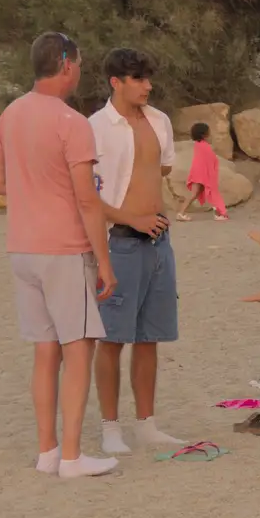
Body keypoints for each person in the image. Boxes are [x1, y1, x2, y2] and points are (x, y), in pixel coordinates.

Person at [0, 32, 118, 478]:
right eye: (78, 62)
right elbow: (87, 200)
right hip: (62, 248)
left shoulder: (11, 114)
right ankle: (72, 456)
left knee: (45, 350)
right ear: (65, 64)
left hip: (21, 247)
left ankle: (47, 449)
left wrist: (35, 184)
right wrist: (103, 260)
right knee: (78, 348)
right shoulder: (71, 121)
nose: (79, 70)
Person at [89, 47, 185, 455]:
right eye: (138, 79)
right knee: (112, 338)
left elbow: (160, 171)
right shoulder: (95, 127)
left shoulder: (159, 121)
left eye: (148, 78)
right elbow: (87, 198)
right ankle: (111, 427)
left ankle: (146, 423)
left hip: (159, 242)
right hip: (120, 242)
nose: (147, 86)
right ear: (116, 81)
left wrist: (153, 218)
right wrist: (132, 217)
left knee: (151, 337)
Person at [174, 122, 228, 222]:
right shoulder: (204, 146)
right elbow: (208, 161)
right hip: (201, 174)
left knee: (197, 193)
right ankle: (181, 213)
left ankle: (181, 213)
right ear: (204, 134)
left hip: (199, 173)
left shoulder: (199, 145)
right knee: (206, 192)